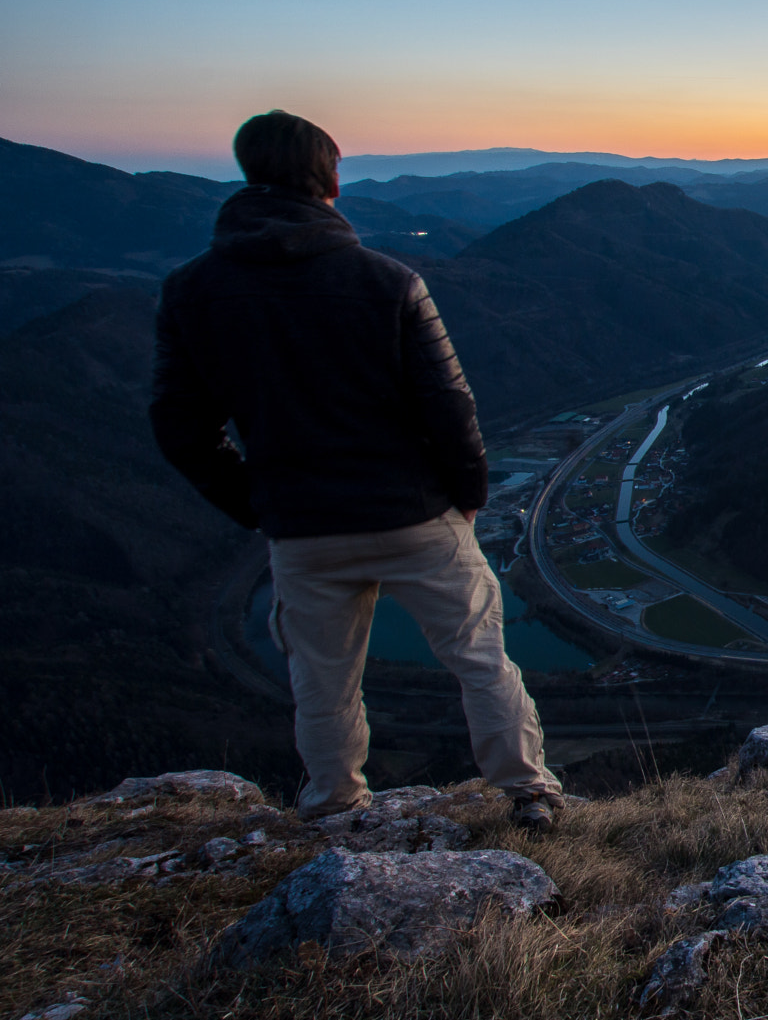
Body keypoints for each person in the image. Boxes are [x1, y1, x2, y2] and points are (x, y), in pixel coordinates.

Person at [150, 110, 566, 829]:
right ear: (329, 181)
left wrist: (255, 503)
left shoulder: (192, 290)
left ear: (249, 174)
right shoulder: (385, 280)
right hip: (413, 510)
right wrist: (467, 493)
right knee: (481, 659)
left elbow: (179, 424)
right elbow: (450, 406)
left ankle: (334, 804)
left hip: (303, 525)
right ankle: (528, 791)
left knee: (323, 680)